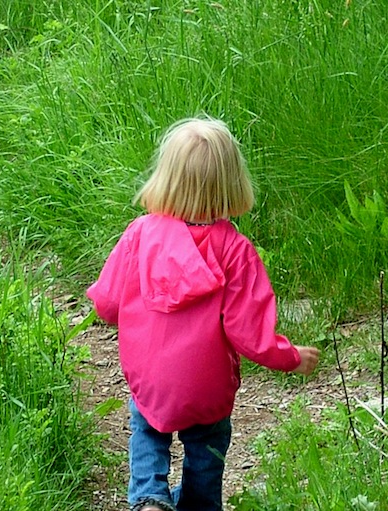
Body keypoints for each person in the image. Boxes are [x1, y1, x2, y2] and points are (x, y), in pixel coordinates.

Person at [86, 115, 321, 511]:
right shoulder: (235, 250)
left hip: (151, 381)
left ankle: (148, 497)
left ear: (167, 178)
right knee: (206, 454)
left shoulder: (140, 234)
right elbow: (251, 334)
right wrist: (291, 357)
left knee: (147, 430)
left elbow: (107, 305)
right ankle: (199, 504)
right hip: (207, 386)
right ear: (233, 183)